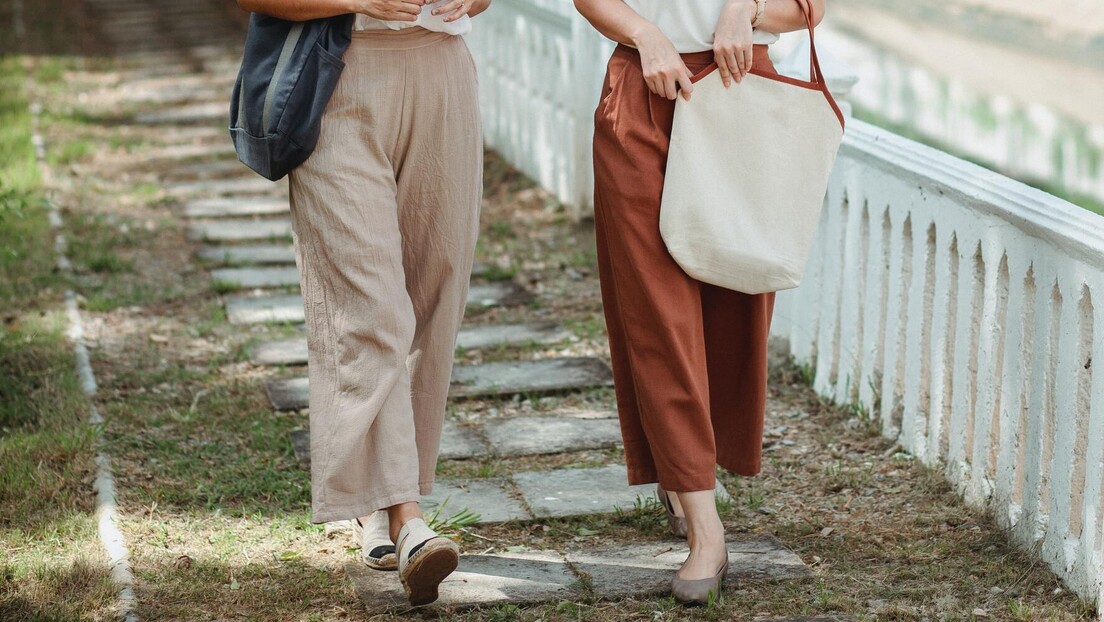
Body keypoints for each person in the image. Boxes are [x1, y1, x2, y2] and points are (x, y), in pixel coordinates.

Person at [235, 0, 491, 606]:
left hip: (443, 71)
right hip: (333, 73)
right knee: (369, 306)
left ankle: (383, 502)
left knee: (437, 291)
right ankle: (407, 517)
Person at [572, 0, 825, 606]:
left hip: (740, 87)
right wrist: (645, 34)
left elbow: (810, 10)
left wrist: (747, 10)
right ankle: (706, 532)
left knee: (735, 305)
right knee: (656, 314)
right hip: (642, 89)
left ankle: (687, 473)